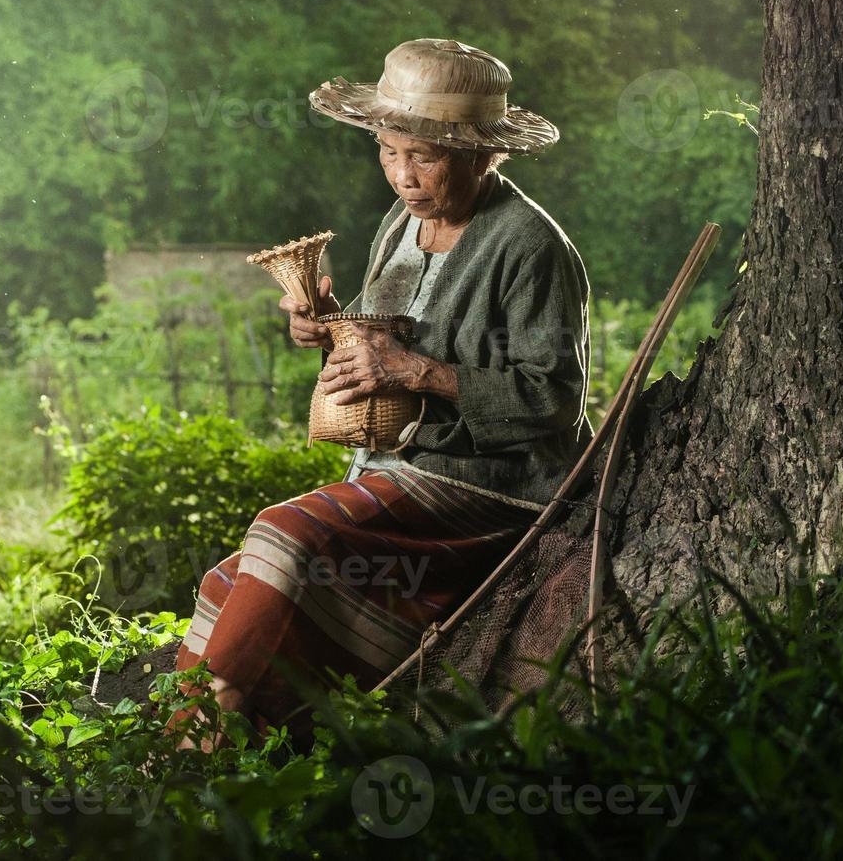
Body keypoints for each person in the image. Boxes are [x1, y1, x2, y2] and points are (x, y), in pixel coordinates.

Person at [170, 39, 593, 749]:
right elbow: (375, 336)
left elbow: (554, 400)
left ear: (486, 154)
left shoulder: (529, 245)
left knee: (286, 531)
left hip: (490, 487)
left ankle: (184, 744)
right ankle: (257, 745)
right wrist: (323, 323)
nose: (403, 175)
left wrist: (418, 374)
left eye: (425, 157)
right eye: (390, 151)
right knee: (229, 582)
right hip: (391, 469)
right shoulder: (403, 223)